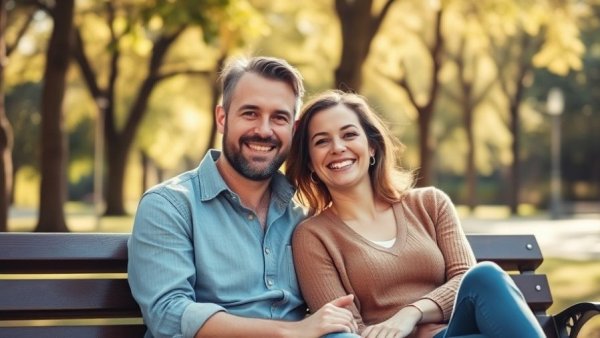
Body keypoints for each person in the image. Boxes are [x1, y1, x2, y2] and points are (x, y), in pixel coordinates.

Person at [128, 57, 358, 338]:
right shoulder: (169, 206)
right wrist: (291, 333)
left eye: (279, 118)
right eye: (250, 113)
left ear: (293, 130)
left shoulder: (306, 212)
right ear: (222, 118)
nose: (264, 130)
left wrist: (418, 311)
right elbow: (168, 313)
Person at [286, 90, 546, 338]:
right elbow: (344, 326)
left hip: (454, 330)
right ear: (310, 161)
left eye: (349, 135)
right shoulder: (313, 236)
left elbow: (463, 281)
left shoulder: (430, 204)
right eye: (322, 141)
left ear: (372, 147)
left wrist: (411, 314)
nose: (337, 147)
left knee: (485, 275)